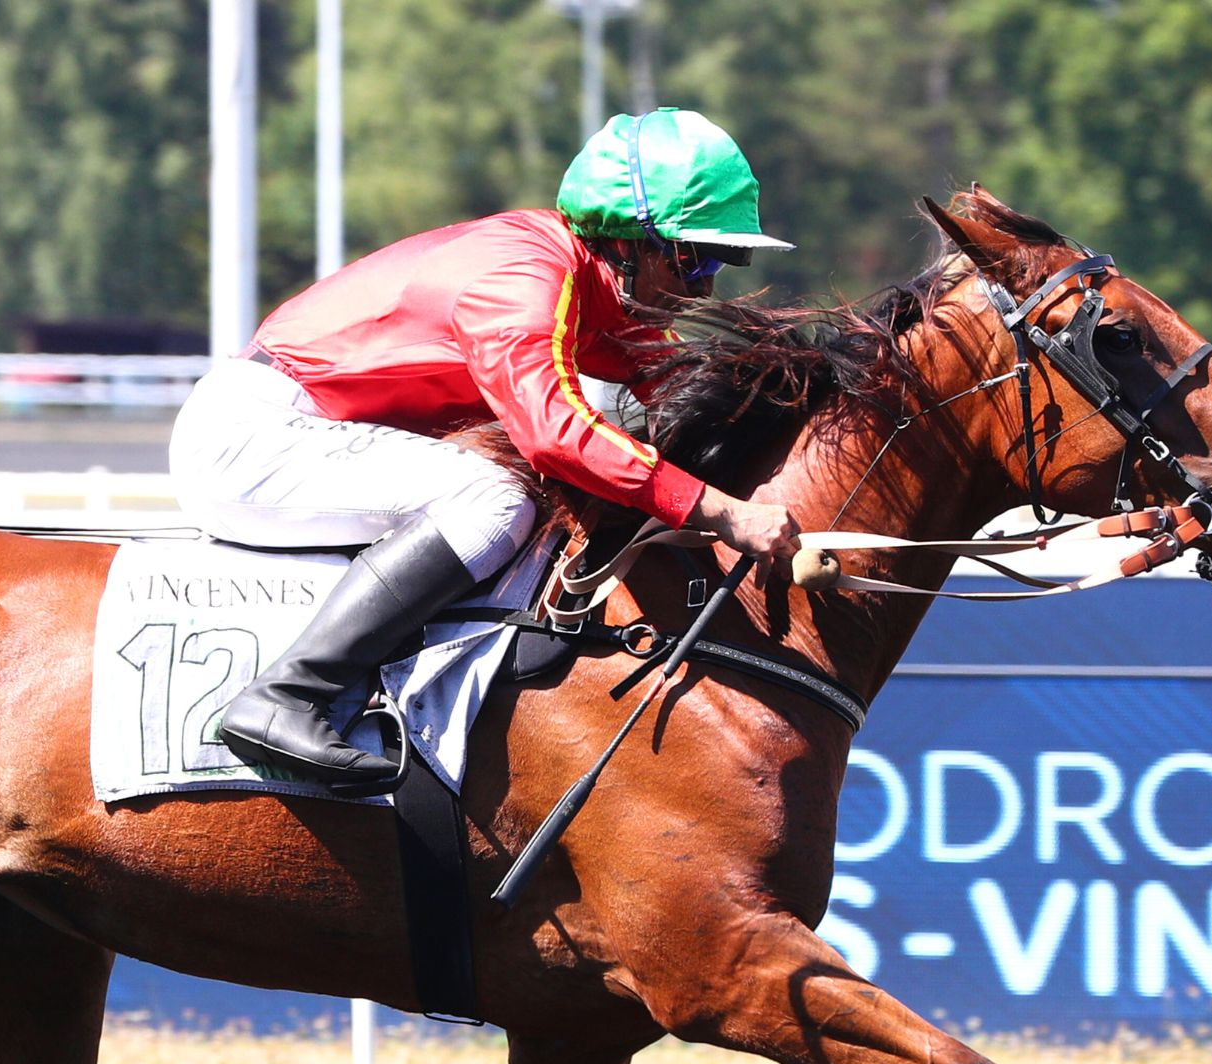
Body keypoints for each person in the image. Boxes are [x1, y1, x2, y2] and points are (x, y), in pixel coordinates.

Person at [169, 107, 805, 789]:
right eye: (692, 257)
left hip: (309, 431)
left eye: (723, 261)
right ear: (626, 242)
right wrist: (720, 512)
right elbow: (557, 435)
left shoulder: (597, 289)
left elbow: (678, 393)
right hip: (254, 437)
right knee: (494, 498)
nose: (705, 284)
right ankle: (288, 695)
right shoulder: (520, 279)